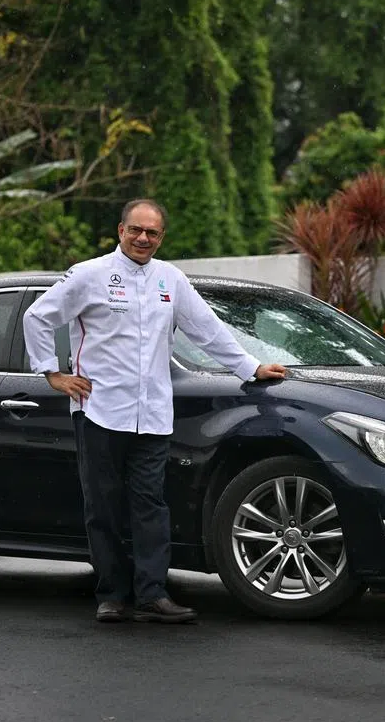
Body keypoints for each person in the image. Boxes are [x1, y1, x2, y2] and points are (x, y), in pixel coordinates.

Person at [22, 199, 287, 623]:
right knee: (103, 507)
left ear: (161, 237)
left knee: (150, 506)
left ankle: (153, 594)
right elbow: (37, 317)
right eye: (136, 230)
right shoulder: (89, 275)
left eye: (153, 233)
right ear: (120, 230)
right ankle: (111, 595)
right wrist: (51, 373)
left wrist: (251, 367)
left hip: (152, 415)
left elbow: (208, 329)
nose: (144, 238)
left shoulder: (171, 280)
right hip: (99, 411)